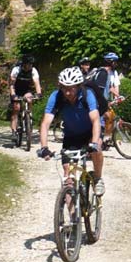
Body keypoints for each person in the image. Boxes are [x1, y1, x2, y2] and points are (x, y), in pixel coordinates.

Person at [37, 67, 105, 196]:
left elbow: (95, 120)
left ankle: (97, 178)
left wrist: (95, 143)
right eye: (64, 88)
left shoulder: (87, 94)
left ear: (79, 86)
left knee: (98, 149)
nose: (67, 92)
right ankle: (72, 214)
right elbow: (45, 124)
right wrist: (44, 147)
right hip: (71, 135)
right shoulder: (56, 97)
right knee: (68, 181)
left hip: (90, 132)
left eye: (71, 88)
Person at [9, 54, 42, 136]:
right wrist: (13, 95)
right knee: (16, 108)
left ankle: (29, 118)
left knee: (30, 99)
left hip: (26, 90)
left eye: (31, 64)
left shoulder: (33, 70)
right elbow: (12, 85)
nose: (30, 65)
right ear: (24, 64)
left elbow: (37, 84)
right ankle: (14, 130)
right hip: (16, 90)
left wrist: (39, 94)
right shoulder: (16, 70)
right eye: (29, 64)